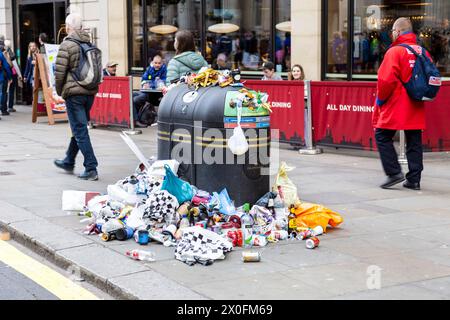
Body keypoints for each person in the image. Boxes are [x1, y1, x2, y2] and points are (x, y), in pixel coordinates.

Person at [373, 17, 432, 191]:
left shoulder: (395, 51)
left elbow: (385, 80)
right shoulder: (422, 51)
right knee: (414, 140)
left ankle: (393, 172)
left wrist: (380, 100)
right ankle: (414, 180)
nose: (392, 34)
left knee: (382, 135)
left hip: (396, 103)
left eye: (392, 31)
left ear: (397, 31)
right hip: (416, 102)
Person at [53, 13, 100, 181]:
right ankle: (69, 160)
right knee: (79, 128)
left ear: (68, 27)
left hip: (74, 94)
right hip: (89, 93)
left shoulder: (67, 45)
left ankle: (91, 167)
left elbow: (59, 72)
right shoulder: (89, 43)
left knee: (80, 130)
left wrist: (59, 91)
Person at [133, 54, 167, 128]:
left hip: (157, 95)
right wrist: (145, 83)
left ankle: (138, 120)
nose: (157, 65)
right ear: (152, 62)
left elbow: (163, 81)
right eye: (155, 63)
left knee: (136, 100)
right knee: (132, 97)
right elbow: (144, 79)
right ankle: (135, 120)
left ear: (162, 63)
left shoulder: (165, 70)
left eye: (159, 63)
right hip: (147, 92)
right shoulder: (149, 69)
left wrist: (151, 84)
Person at [4, 40, 23, 112]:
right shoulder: (10, 53)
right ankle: (10, 106)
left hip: (4, 74)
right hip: (11, 74)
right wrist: (19, 74)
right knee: (11, 90)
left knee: (5, 91)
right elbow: (15, 65)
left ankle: (4, 107)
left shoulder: (2, 52)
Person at [0, 35, 13, 117]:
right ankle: (3, 110)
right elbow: (7, 67)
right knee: (3, 93)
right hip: (2, 77)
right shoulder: (1, 54)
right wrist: (10, 77)